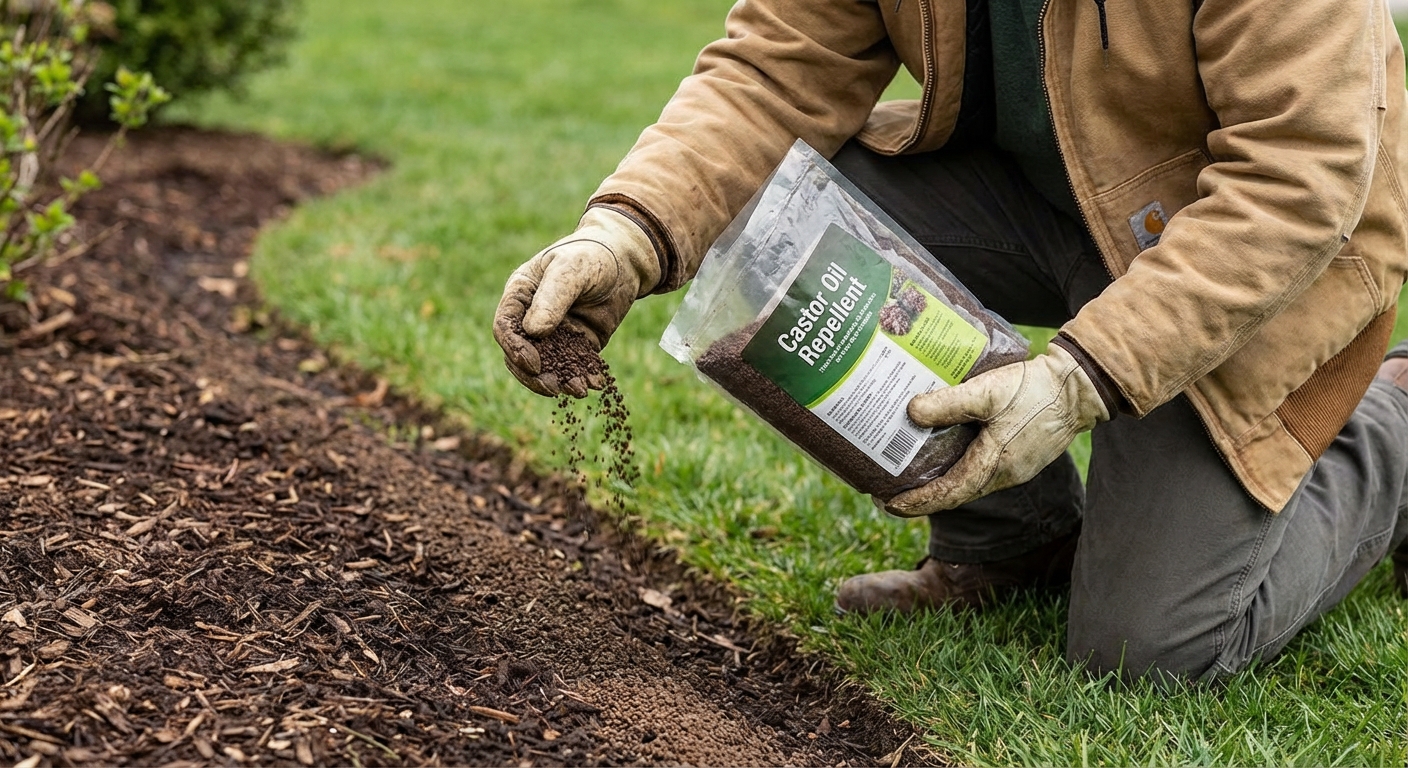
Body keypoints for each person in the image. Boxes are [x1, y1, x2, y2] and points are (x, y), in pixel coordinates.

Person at [494, 0, 1408, 680]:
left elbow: (1300, 174)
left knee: (1152, 652)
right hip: (1044, 202)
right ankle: (1012, 539)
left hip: (1255, 249)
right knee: (779, 221)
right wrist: (625, 231)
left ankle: (1396, 424)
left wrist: (1081, 378)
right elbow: (775, 68)